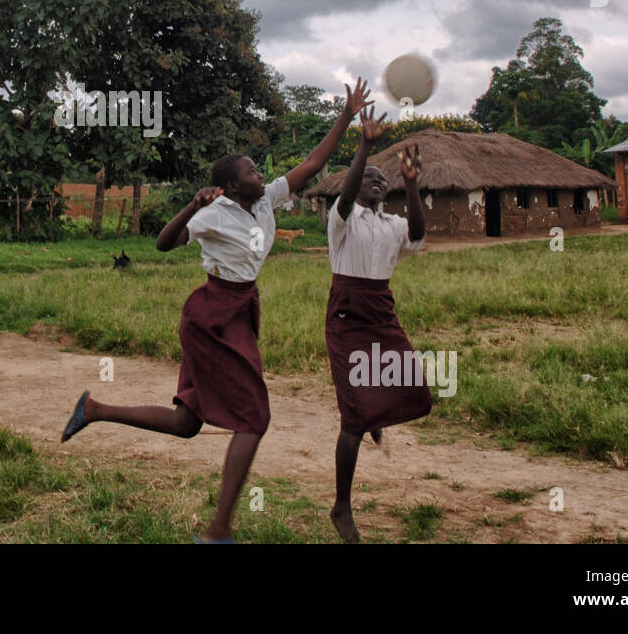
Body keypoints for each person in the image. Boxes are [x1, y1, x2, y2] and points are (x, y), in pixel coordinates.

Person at [60, 79, 375, 542]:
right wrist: (190, 205)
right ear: (230, 185)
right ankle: (217, 530)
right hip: (212, 316)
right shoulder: (213, 212)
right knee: (254, 418)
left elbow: (312, 164)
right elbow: (163, 244)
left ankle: (95, 408)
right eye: (250, 169)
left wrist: (347, 118)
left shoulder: (265, 199)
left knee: (188, 423)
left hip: (240, 308)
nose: (257, 172)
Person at [325, 107, 430, 543]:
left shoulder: (394, 225)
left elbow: (420, 236)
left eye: (380, 178)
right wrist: (365, 144)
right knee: (353, 418)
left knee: (415, 390)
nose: (374, 180)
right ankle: (341, 507)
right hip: (348, 313)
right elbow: (347, 195)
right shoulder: (341, 221)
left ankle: (374, 414)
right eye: (368, 176)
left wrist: (411, 183)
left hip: (381, 309)